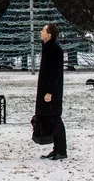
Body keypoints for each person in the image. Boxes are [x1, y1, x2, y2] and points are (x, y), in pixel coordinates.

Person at [36, 23, 67, 160]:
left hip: (52, 91)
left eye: (43, 30)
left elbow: (55, 73)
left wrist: (49, 91)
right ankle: (56, 148)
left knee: (55, 118)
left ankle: (61, 150)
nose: (41, 32)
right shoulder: (48, 47)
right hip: (47, 89)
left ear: (49, 34)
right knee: (51, 118)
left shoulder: (54, 49)